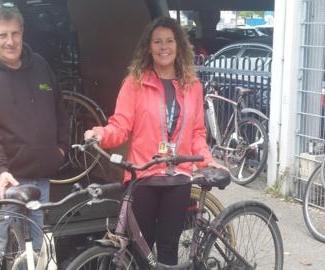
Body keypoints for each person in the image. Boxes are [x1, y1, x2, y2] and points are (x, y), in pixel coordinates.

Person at [84, 17, 224, 266]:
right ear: (149, 47)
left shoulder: (193, 86)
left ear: (179, 45)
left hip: (179, 177)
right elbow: (120, 125)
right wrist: (100, 134)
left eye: (169, 41)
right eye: (157, 41)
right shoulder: (135, 83)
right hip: (144, 177)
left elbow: (197, 134)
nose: (164, 47)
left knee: (168, 248)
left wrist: (209, 161)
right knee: (141, 250)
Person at [0, 3, 69, 269]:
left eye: (15, 33)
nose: (10, 41)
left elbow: (61, 110)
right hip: (4, 183)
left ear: (22, 32)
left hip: (40, 179)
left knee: (39, 251)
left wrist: (61, 150)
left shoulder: (40, 66)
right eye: (2, 35)